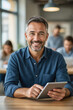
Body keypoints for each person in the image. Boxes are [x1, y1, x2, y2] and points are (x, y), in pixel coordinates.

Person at [4, 16, 73, 101]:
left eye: (41, 34)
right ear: (26, 36)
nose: (36, 39)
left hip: (49, 105)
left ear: (46, 37)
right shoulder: (15, 57)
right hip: (23, 105)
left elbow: (68, 86)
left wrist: (65, 92)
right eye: (32, 33)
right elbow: (8, 87)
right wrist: (26, 92)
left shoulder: (57, 58)